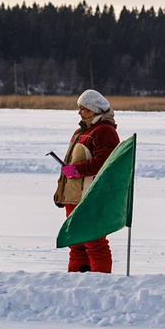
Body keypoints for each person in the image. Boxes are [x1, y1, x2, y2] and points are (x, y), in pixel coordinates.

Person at [53, 90, 122, 272]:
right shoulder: (82, 130)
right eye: (79, 108)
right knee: (76, 242)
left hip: (90, 197)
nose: (79, 112)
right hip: (73, 196)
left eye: (83, 109)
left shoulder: (105, 131)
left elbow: (104, 163)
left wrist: (76, 170)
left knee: (94, 242)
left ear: (94, 109)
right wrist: (61, 191)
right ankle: (76, 282)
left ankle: (101, 283)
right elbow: (71, 163)